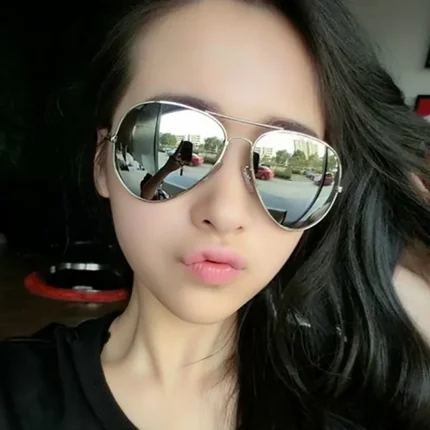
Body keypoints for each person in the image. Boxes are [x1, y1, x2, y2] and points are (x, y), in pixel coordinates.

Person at [1, 0, 430, 429]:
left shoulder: (357, 403)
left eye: (291, 160)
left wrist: (388, 268)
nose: (225, 212)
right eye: (172, 134)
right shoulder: (14, 395)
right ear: (102, 161)